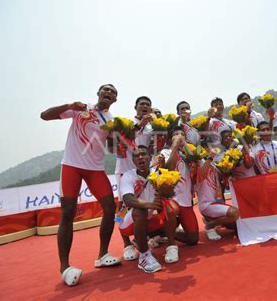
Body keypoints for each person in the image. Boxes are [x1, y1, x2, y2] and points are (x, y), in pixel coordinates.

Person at [40, 84, 121, 286]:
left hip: (95, 169)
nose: (108, 93)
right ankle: (65, 267)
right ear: (98, 93)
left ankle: (102, 255)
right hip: (72, 165)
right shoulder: (81, 109)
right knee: (68, 212)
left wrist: (113, 136)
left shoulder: (112, 121)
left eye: (113, 92)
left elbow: (111, 148)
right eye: (106, 90)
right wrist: (69, 105)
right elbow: (44, 115)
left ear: (115, 100)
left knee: (110, 208)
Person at [118, 145, 179, 273]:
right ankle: (144, 255)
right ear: (133, 161)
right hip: (128, 222)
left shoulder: (157, 174)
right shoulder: (127, 177)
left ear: (150, 157)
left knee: (171, 207)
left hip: (148, 219)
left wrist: (163, 168)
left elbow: (167, 194)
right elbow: (127, 201)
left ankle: (171, 246)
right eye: (136, 156)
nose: (140, 157)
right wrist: (125, 242)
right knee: (140, 210)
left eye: (143, 154)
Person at [114, 96, 154, 261]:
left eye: (147, 105)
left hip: (142, 170)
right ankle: (126, 243)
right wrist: (141, 123)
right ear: (135, 106)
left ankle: (140, 237)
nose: (145, 106)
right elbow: (122, 137)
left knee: (142, 204)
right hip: (124, 169)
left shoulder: (152, 127)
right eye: (142, 104)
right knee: (123, 205)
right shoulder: (127, 122)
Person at [160, 128, 200, 248]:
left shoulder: (189, 153)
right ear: (170, 139)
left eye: (182, 134)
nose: (180, 136)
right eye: (176, 134)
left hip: (186, 200)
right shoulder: (165, 152)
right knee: (172, 210)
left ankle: (162, 233)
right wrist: (175, 147)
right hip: (172, 197)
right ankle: (171, 246)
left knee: (193, 239)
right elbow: (169, 168)